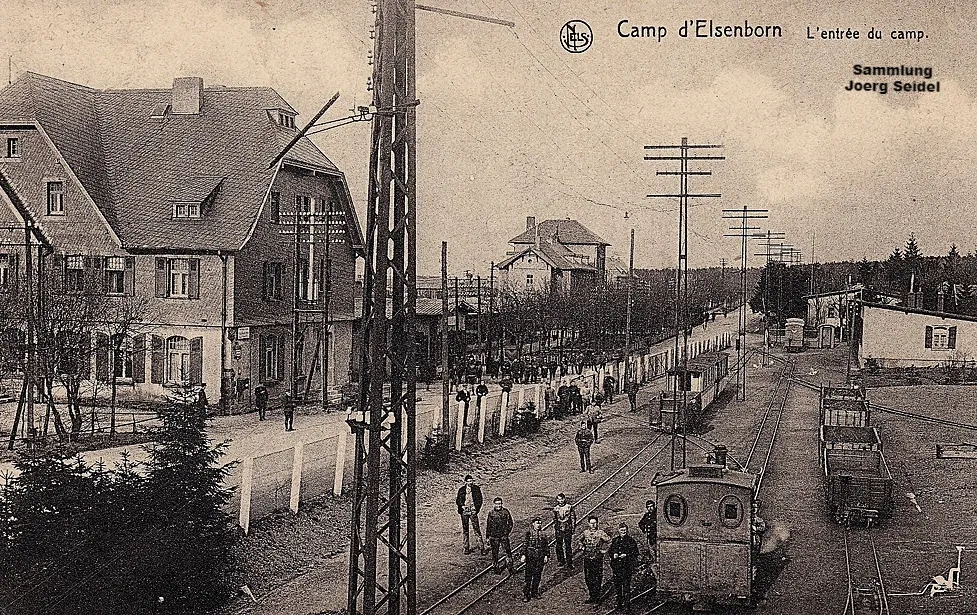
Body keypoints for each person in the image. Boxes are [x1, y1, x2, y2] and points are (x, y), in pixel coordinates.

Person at [608, 523, 640, 609]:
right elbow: (610, 551)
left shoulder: (631, 541)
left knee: (626, 587)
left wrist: (626, 555)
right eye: (622, 530)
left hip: (626, 567)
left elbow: (635, 553)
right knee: (618, 587)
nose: (623, 532)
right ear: (619, 531)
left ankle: (627, 604)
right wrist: (613, 554)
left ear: (627, 531)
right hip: (617, 567)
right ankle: (619, 603)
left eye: (625, 530)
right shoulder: (615, 540)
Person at [580, 515, 611, 604]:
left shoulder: (601, 533)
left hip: (597, 559)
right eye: (591, 523)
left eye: (595, 523)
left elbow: (609, 541)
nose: (593, 525)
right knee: (588, 577)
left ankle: (597, 597)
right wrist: (581, 547)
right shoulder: (585, 533)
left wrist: (604, 550)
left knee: (597, 577)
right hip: (587, 558)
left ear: (597, 523)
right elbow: (579, 541)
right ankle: (592, 595)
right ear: (588, 524)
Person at [456, 475, 486, 555]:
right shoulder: (461, 490)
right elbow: (458, 500)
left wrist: (476, 509)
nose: (470, 482)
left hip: (473, 511)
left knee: (477, 529)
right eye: (468, 481)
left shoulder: (476, 489)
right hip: (464, 512)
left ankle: (482, 548)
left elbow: (480, 500)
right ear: (465, 482)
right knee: (465, 530)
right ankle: (466, 548)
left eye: (471, 481)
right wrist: (462, 506)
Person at [521, 516, 549, 601]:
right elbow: (524, 545)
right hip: (530, 557)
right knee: (528, 577)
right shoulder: (528, 533)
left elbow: (546, 546)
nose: (538, 525)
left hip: (540, 557)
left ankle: (534, 592)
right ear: (533, 524)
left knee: (537, 576)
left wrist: (546, 555)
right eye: (537, 523)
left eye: (540, 523)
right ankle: (526, 594)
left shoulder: (543, 534)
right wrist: (523, 555)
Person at [485, 497, 515, 573]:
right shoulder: (491, 513)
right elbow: (488, 525)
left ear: (502, 504)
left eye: (500, 504)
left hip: (503, 536)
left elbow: (510, 523)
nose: (498, 505)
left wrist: (507, 532)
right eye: (497, 504)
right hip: (494, 537)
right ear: (494, 504)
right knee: (495, 554)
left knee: (508, 552)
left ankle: (510, 568)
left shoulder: (505, 512)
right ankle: (496, 568)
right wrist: (487, 537)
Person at [552, 493, 576, 569]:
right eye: (559, 499)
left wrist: (572, 527)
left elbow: (573, 518)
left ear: (564, 499)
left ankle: (570, 562)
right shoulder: (556, 508)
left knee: (568, 546)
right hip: (559, 529)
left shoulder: (569, 507)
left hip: (567, 528)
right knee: (559, 545)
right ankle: (561, 561)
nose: (561, 501)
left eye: (562, 499)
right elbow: (555, 519)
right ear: (557, 500)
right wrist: (556, 528)